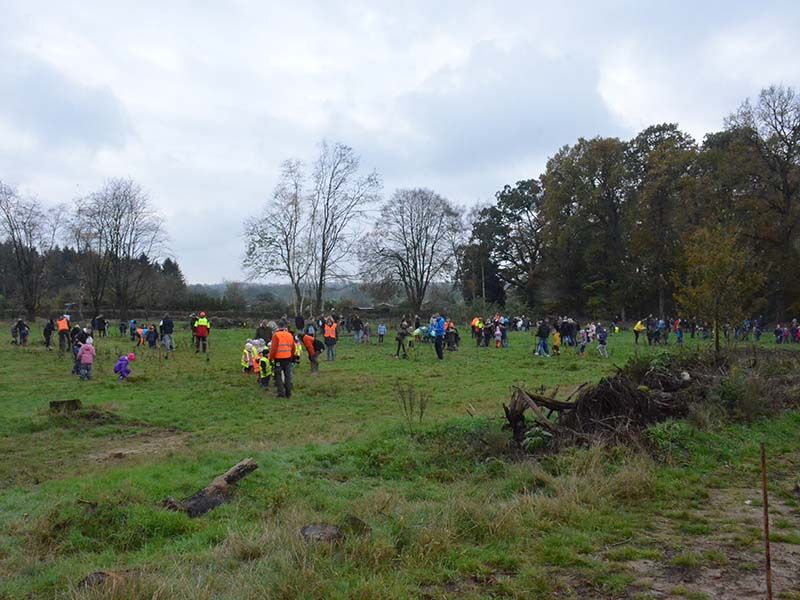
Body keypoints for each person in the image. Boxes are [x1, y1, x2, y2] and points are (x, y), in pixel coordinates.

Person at [269, 320, 297, 398]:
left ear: (278, 327)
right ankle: (288, 393)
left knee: (278, 376)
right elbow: (293, 348)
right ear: (285, 327)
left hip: (278, 359)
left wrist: (270, 359)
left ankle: (281, 393)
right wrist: (291, 356)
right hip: (288, 358)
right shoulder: (289, 335)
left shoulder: (276, 335)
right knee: (287, 376)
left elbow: (273, 349)